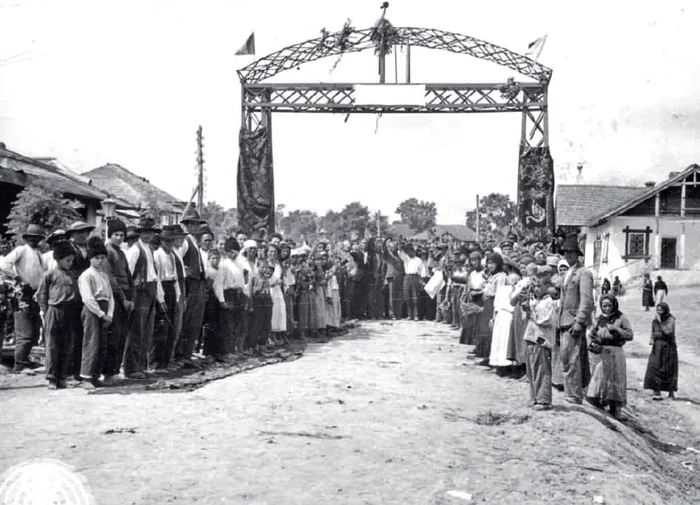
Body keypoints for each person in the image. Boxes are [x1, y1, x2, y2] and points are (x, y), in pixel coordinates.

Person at [0, 224, 48, 372]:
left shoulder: (39, 254)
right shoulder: (21, 250)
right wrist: (19, 279)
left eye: (38, 238)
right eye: (32, 238)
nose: (35, 240)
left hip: (35, 294)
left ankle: (25, 360)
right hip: (23, 294)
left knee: (34, 331)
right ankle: (19, 364)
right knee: (24, 332)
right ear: (27, 238)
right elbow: (4, 264)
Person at [36, 241, 80, 389]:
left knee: (67, 345)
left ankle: (62, 377)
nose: (70, 263)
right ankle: (52, 378)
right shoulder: (50, 275)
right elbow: (41, 294)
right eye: (67, 260)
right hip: (54, 311)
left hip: (70, 312)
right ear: (58, 259)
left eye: (72, 260)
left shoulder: (73, 275)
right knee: (53, 345)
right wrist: (45, 311)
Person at [557, 234, 593, 405]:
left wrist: (579, 321)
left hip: (573, 322)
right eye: (566, 252)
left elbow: (587, 300)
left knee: (571, 358)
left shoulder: (584, 273)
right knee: (567, 357)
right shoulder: (566, 274)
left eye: (572, 252)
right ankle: (572, 391)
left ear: (578, 254)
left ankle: (573, 394)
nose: (568, 255)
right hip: (563, 320)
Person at [586, 294, 634, 419]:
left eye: (609, 306)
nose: (607, 308)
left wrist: (616, 330)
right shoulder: (599, 319)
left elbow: (630, 335)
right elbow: (592, 334)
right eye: (604, 306)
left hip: (617, 352)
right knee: (600, 376)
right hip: (603, 352)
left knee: (616, 380)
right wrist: (594, 343)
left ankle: (616, 410)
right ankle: (598, 404)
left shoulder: (621, 317)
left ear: (614, 305)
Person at [77, 236, 115, 389]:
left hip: (105, 309)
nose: (100, 261)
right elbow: (88, 298)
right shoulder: (86, 275)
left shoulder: (104, 276)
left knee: (102, 344)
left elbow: (110, 296)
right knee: (91, 342)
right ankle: (86, 377)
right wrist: (100, 314)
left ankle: (96, 375)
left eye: (102, 258)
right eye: (97, 258)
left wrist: (110, 314)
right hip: (92, 310)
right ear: (90, 259)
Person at [101, 219, 134, 384]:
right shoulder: (108, 252)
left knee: (122, 336)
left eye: (122, 235)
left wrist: (131, 297)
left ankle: (115, 370)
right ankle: (108, 372)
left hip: (126, 297)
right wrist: (123, 298)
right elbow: (111, 278)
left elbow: (128, 275)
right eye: (116, 235)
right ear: (110, 235)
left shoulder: (121, 252)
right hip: (115, 297)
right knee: (113, 336)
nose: (119, 238)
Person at [523, 266, 558, 411]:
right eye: (534, 286)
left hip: (541, 340)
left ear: (547, 286)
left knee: (542, 370)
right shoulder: (534, 301)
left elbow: (546, 320)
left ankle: (544, 400)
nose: (536, 289)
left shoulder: (549, 302)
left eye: (539, 286)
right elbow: (528, 317)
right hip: (531, 337)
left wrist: (532, 314)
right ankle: (535, 397)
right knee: (532, 369)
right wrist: (526, 310)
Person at [643, 302, 678, 400]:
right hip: (657, 347)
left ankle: (671, 393)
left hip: (668, 347)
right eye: (657, 310)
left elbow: (668, 331)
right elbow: (653, 331)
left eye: (661, 310)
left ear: (666, 310)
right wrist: (651, 339)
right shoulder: (655, 320)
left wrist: (660, 322)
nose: (659, 312)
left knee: (669, 369)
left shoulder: (671, 319)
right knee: (654, 366)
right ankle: (656, 390)